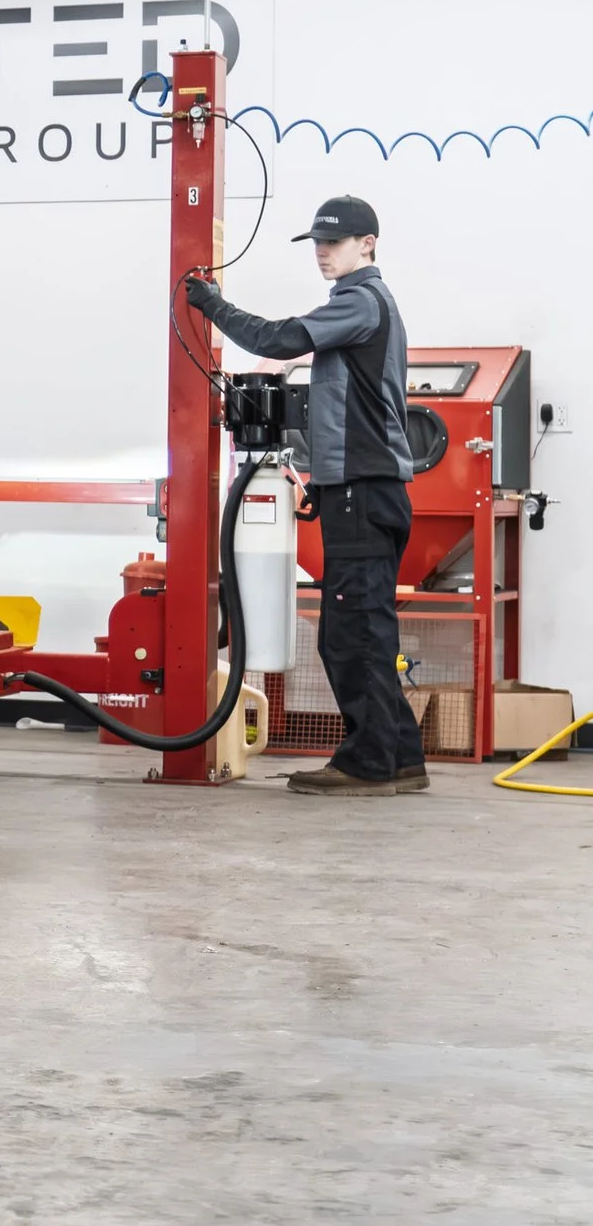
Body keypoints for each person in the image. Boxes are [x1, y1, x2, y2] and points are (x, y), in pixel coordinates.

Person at [186, 195, 418, 797]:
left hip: (363, 495)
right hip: (363, 490)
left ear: (368, 243)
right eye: (316, 242)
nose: (322, 251)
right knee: (367, 629)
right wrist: (319, 478)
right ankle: (400, 758)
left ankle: (368, 765)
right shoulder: (366, 306)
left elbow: (282, 337)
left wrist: (213, 306)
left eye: (334, 242)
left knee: (351, 633)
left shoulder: (360, 302)